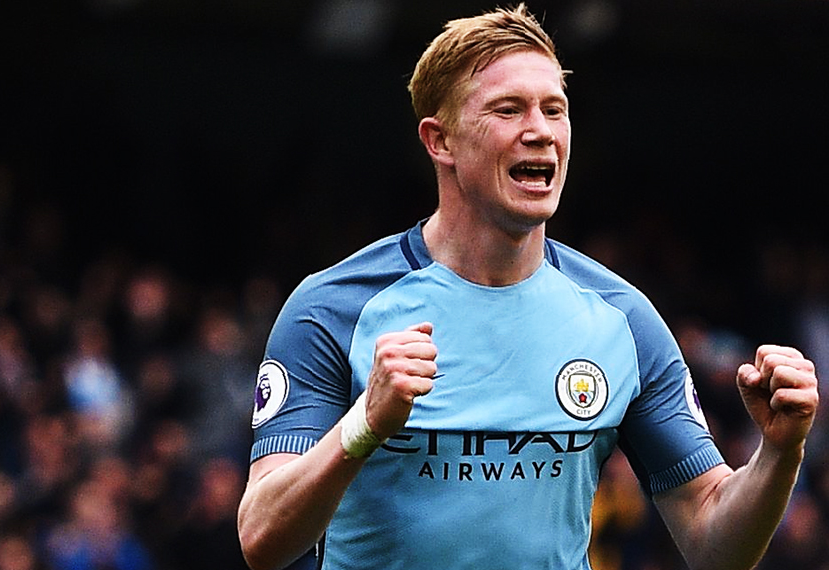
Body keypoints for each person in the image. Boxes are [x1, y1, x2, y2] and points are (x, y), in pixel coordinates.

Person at [236, 4, 820, 570]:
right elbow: (261, 539)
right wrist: (363, 426)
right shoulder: (333, 308)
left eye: (554, 110)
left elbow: (715, 544)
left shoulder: (621, 319)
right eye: (509, 110)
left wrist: (778, 454)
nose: (540, 132)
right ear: (440, 141)